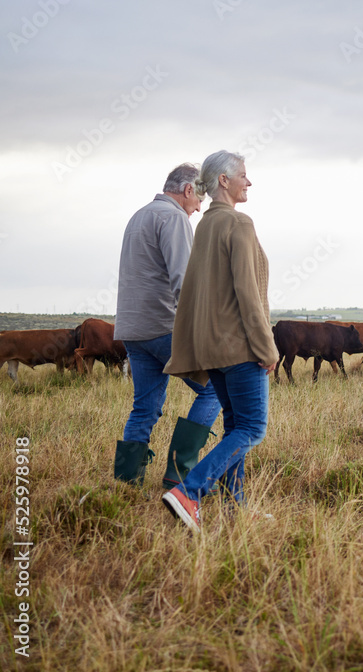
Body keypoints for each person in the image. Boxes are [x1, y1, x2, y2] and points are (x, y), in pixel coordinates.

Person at [162, 150, 279, 532]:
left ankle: (235, 509)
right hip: (241, 348)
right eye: (243, 175)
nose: (249, 182)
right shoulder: (238, 223)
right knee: (252, 429)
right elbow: (248, 293)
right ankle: (189, 492)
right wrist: (267, 348)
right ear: (224, 181)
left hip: (213, 349)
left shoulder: (205, 225)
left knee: (234, 428)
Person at [113, 164, 222, 488]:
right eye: (199, 198)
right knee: (218, 388)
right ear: (188, 190)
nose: (200, 207)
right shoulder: (173, 217)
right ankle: (180, 473)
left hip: (132, 330)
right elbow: (183, 282)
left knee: (145, 406)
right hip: (164, 327)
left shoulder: (139, 215)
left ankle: (126, 481)